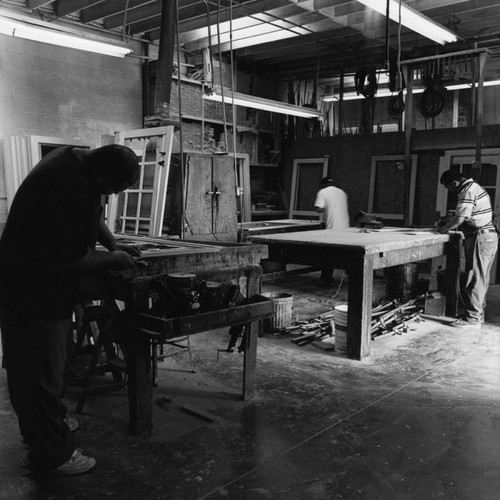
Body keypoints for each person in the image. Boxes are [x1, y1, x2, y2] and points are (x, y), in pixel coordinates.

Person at [0, 144, 144, 475]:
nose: (110, 195)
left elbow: (92, 214)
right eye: (113, 189)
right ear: (103, 175)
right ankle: (52, 455)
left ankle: (44, 430)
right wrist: (113, 259)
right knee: (39, 371)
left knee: (40, 367)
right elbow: (71, 259)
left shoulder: (75, 160)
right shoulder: (69, 184)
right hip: (32, 291)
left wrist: (113, 243)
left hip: (27, 284)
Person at [437, 169, 498, 329]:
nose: (449, 191)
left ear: (454, 183)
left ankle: (472, 318)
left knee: (475, 277)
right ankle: (477, 314)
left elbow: (460, 218)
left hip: (481, 237)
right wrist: (449, 221)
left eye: (448, 188)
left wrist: (442, 230)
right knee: (481, 277)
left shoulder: (467, 190)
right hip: (487, 236)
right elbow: (467, 216)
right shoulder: (475, 187)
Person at [314, 176, 350, 285]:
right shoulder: (342, 192)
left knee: (328, 254)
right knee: (345, 253)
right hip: (345, 227)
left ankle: (325, 278)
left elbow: (319, 209)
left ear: (323, 185)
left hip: (332, 228)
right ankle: (352, 276)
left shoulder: (322, 192)